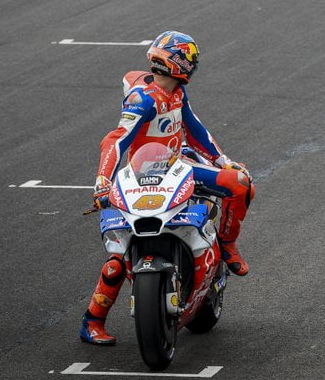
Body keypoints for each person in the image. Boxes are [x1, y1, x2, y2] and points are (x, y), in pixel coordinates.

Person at [80, 31, 255, 346]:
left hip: (179, 165)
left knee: (240, 184)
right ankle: (92, 320)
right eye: (189, 59)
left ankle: (226, 245)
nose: (192, 65)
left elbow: (195, 129)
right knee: (118, 255)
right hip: (141, 174)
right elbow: (115, 139)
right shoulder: (143, 98)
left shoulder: (177, 93)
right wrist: (103, 180)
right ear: (176, 62)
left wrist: (223, 161)